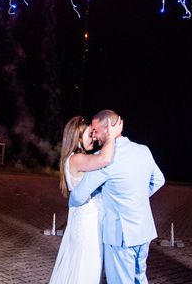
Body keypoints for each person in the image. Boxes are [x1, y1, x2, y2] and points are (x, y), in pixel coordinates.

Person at [70, 109, 165, 284]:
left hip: (120, 237)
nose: (95, 136)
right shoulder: (143, 150)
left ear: (108, 128)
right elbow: (159, 180)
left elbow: (77, 196)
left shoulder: (104, 159)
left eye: (96, 131)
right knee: (140, 279)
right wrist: (136, 196)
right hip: (143, 232)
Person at [49, 115, 122, 284]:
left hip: (86, 220)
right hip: (87, 224)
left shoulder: (76, 158)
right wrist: (111, 136)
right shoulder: (76, 159)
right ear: (77, 137)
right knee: (86, 267)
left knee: (85, 266)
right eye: (90, 135)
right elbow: (104, 159)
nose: (94, 138)